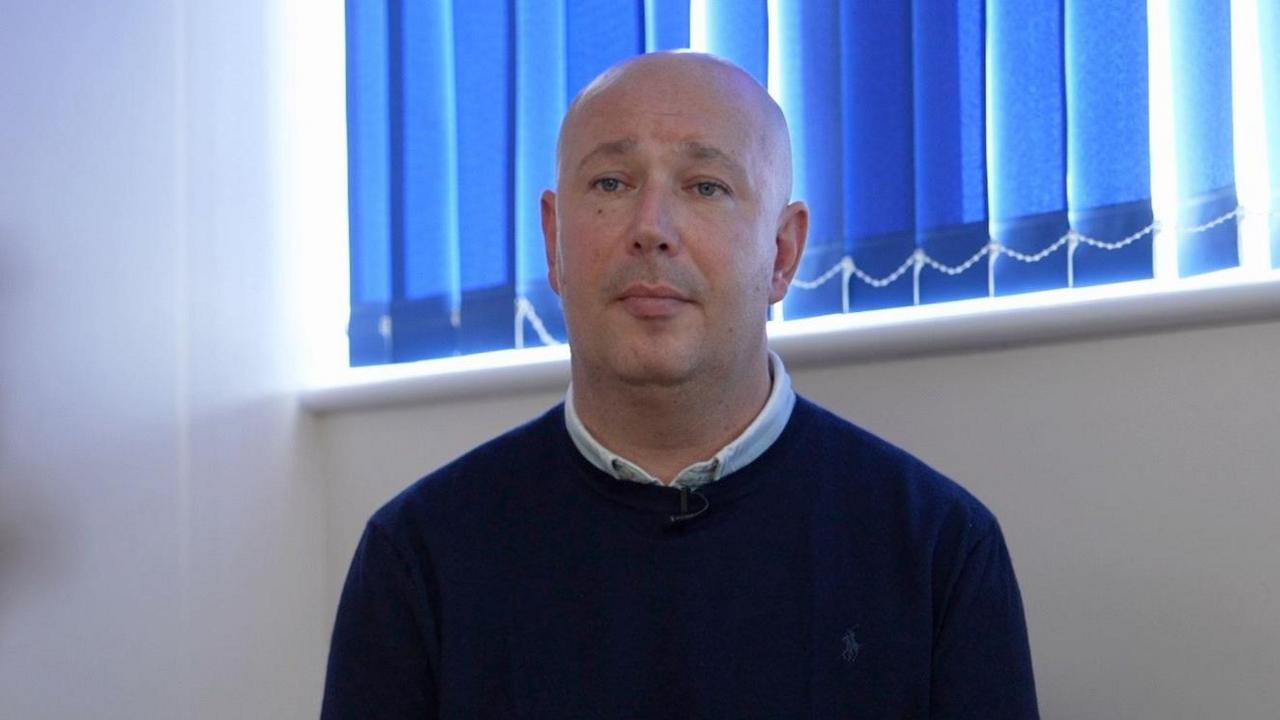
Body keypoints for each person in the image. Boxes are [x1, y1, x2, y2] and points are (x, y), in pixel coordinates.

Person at [321, 51, 1039, 719]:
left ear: (783, 253)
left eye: (705, 186)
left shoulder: (938, 550)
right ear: (554, 242)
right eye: (611, 183)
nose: (651, 229)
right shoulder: (418, 559)